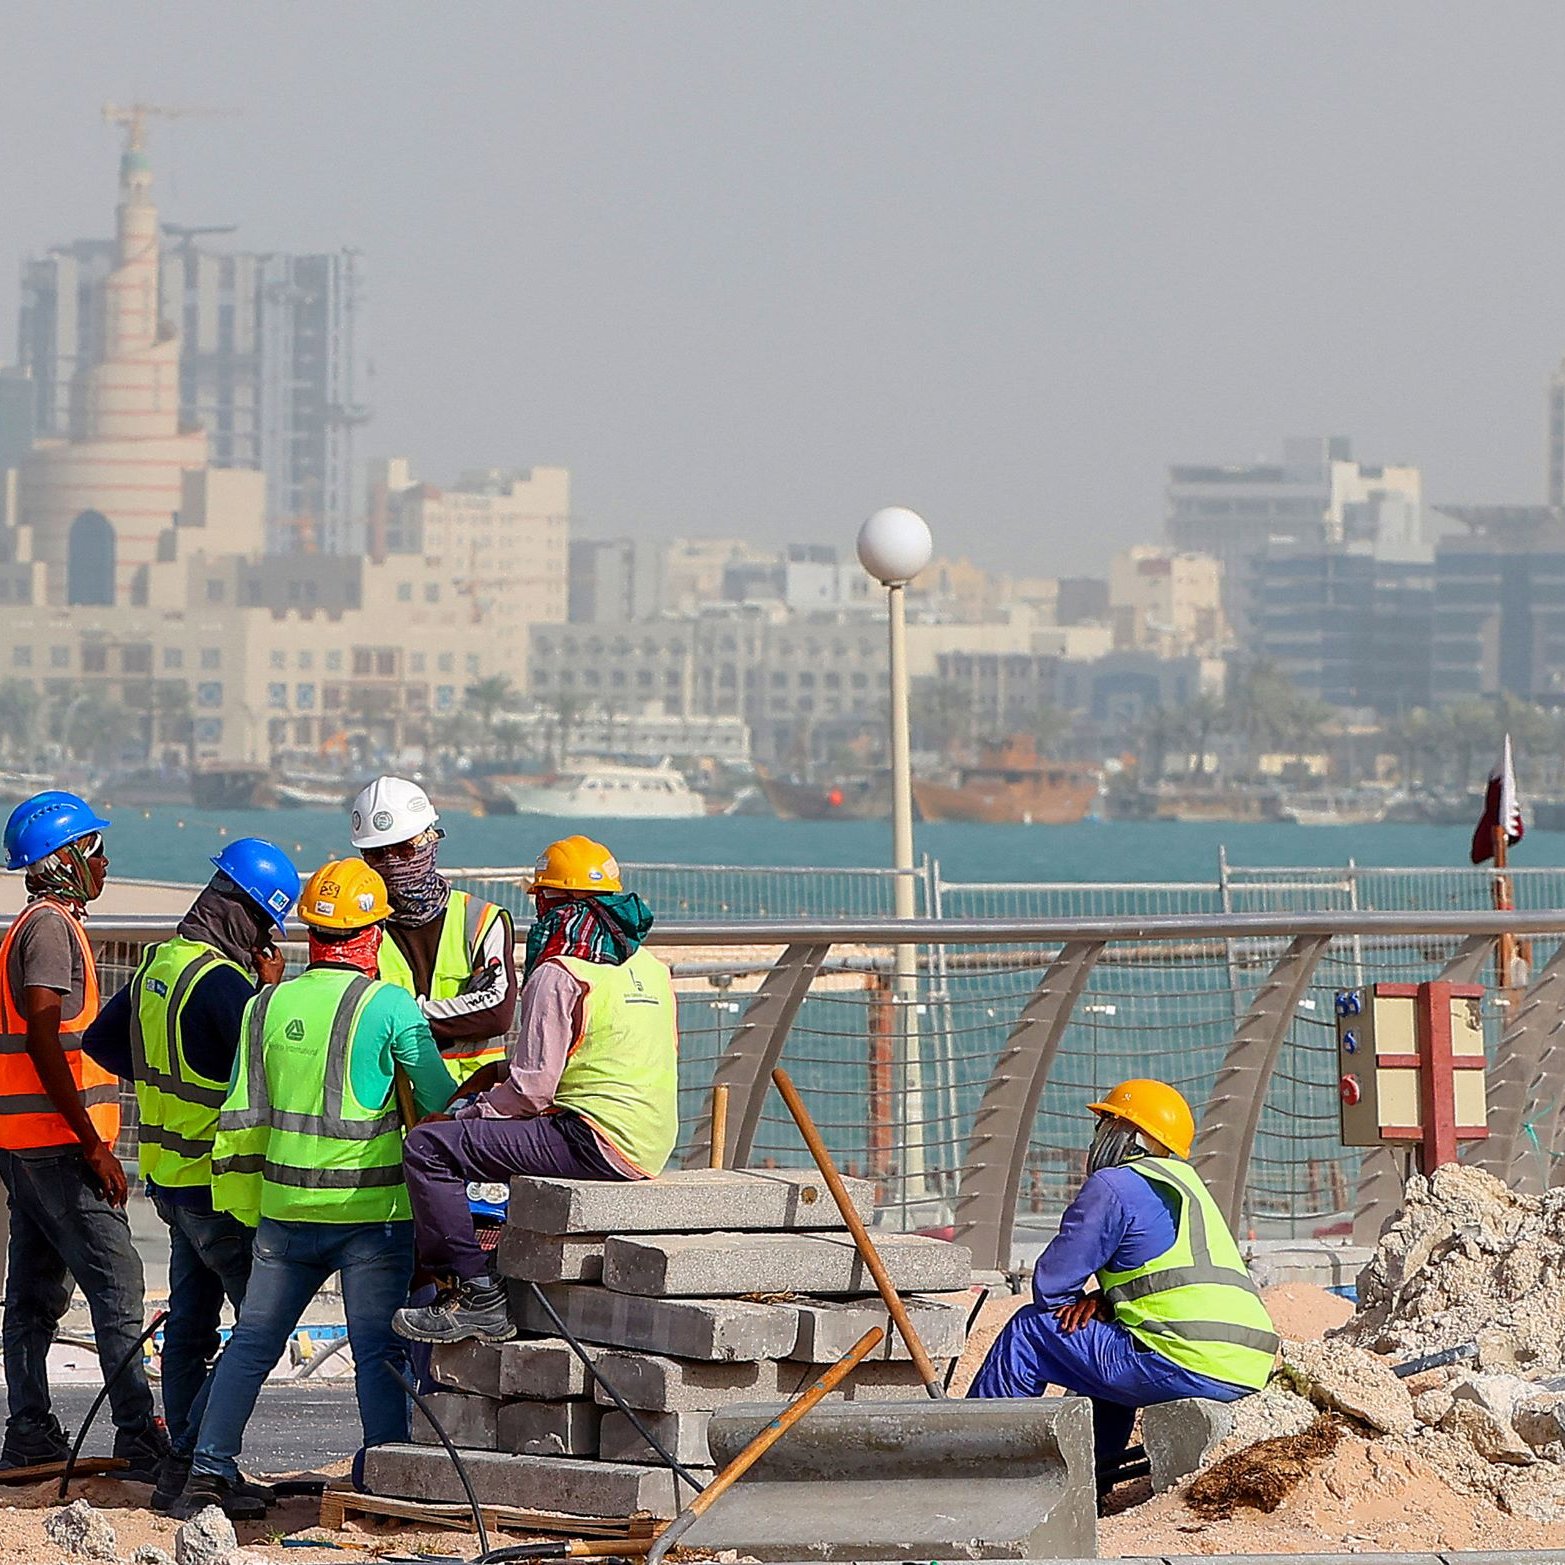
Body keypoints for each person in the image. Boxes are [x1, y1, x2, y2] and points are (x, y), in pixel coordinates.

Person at [172, 860, 458, 1520]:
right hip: (371, 1214)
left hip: (282, 1211)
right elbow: (439, 1099)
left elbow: (241, 1116)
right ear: (371, 935)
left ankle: (207, 1473)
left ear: (311, 934)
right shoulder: (388, 1005)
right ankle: (385, 1474)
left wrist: (249, 1209)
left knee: (252, 1343)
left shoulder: (264, 1004)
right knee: (377, 1351)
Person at [83, 837, 301, 1512]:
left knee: (190, 1329)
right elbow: (273, 1068)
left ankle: (180, 1467)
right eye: (266, 926)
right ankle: (196, 1463)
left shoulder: (159, 963)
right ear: (246, 914)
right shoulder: (225, 985)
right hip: (220, 1185)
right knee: (260, 1329)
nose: (266, 941)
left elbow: (101, 1041)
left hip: (169, 1182)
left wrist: (161, 1076)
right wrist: (269, 993)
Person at [393, 836, 678, 1346]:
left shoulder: (559, 971)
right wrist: (496, 1075)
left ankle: (476, 1293)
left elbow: (530, 1093)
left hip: (592, 1141)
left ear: (549, 901)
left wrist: (463, 1116)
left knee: (428, 1149)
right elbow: (608, 1053)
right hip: (649, 1142)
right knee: (481, 1118)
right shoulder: (651, 968)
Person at [967, 1079, 1279, 1492]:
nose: (1096, 1138)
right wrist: (1107, 1302)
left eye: (1104, 1124)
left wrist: (1084, 1302)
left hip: (1183, 1361)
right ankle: (1090, 1484)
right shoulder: (1190, 1188)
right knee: (1103, 1351)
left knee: (1030, 1331)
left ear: (1127, 1133)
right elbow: (1171, 1276)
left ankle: (976, 1467)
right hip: (1246, 1366)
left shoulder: (1114, 1185)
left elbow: (1052, 1286)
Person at [0, 791, 167, 1479]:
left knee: (33, 1291)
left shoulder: (38, 924)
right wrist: (93, 1144)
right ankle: (137, 1431)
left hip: (28, 1142)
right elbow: (43, 1032)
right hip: (60, 1146)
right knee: (117, 1282)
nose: (104, 862)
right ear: (62, 858)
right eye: (94, 850)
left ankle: (28, 1429)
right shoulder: (48, 929)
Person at [349, 777, 516, 1082]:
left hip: (471, 1098)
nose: (392, 863)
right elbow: (356, 1017)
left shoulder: (480, 920)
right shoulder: (360, 928)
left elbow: (497, 1014)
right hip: (392, 1099)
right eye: (377, 854)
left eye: (404, 849)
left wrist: (400, 1017)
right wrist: (461, 1010)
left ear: (431, 840)